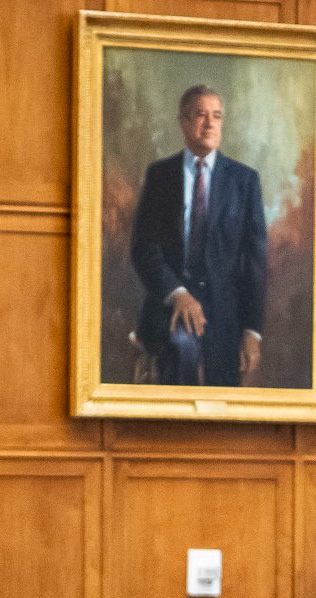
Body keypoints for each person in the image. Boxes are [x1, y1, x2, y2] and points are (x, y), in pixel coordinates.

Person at [130, 83, 267, 386]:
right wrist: (177, 293)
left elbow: (255, 263)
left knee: (224, 389)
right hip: (169, 307)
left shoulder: (244, 181)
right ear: (183, 122)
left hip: (225, 314)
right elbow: (143, 248)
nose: (209, 124)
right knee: (183, 350)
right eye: (200, 115)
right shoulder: (160, 176)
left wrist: (251, 331)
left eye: (216, 116)